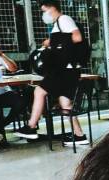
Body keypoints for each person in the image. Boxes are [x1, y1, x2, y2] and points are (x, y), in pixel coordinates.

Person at [15, 0, 89, 145]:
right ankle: (80, 136)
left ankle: (31, 127)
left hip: (64, 70)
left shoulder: (64, 19)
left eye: (44, 11)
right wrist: (51, 42)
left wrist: (53, 42)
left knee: (39, 91)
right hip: (68, 70)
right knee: (65, 103)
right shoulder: (58, 23)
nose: (44, 14)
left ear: (52, 8)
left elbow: (77, 37)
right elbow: (65, 40)